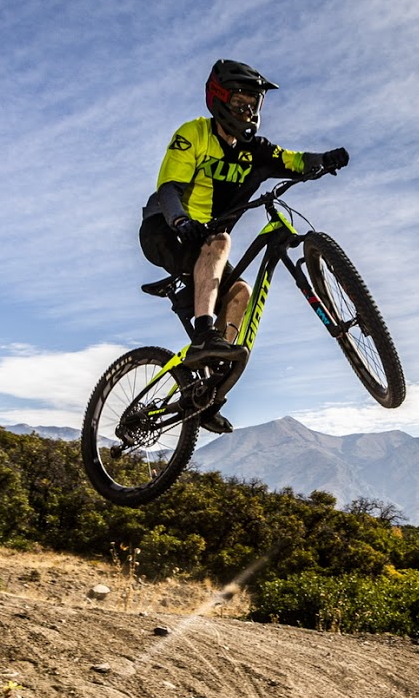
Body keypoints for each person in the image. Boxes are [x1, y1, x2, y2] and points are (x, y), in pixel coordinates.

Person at [138, 59, 347, 434]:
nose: (249, 111)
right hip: (165, 230)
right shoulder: (194, 134)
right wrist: (181, 221)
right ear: (220, 100)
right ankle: (205, 334)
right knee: (220, 240)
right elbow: (168, 189)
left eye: (254, 104)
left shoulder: (256, 151)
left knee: (240, 293)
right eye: (240, 103)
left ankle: (209, 392)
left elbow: (295, 161)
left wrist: (325, 160)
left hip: (207, 249)